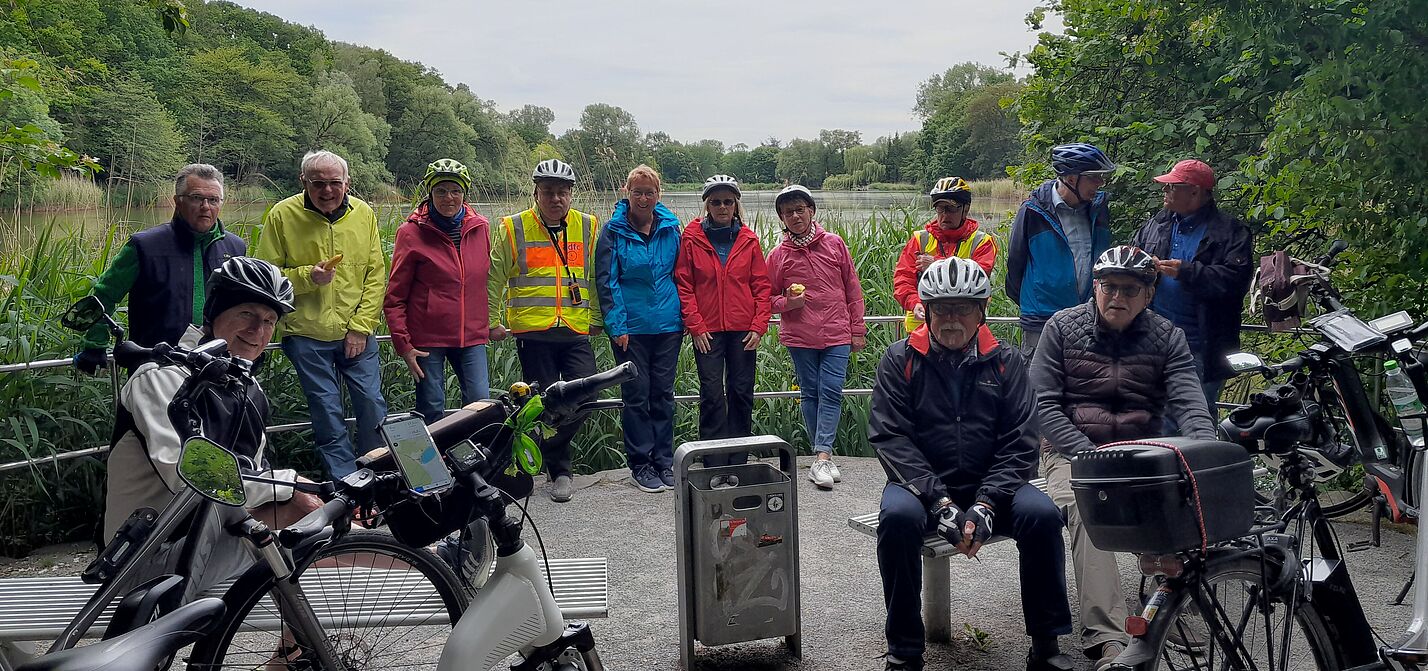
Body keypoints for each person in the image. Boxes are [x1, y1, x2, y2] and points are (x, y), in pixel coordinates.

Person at [869, 256, 1073, 671]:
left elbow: (1020, 440)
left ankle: (1046, 644)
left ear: (981, 310)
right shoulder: (900, 358)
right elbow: (891, 436)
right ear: (925, 310)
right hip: (922, 484)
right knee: (896, 520)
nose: (951, 318)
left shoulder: (1007, 362)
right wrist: (939, 503)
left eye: (963, 308)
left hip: (992, 483)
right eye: (941, 308)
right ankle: (905, 650)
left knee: (1043, 515)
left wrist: (986, 503)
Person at [1029, 245, 1218, 670]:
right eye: (1108, 286)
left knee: (1184, 495)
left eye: (1129, 289)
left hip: (1142, 452)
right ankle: (1109, 639)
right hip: (1071, 452)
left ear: (1148, 294)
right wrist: (1087, 454)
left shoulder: (1167, 336)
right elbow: (1042, 405)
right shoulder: (1061, 327)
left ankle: (1170, 608)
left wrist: (1204, 451)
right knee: (1087, 510)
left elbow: (1190, 403)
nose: (1117, 296)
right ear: (1095, 287)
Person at [103, 257, 321, 562]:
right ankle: (405, 572)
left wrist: (304, 490)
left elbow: (250, 479)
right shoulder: (161, 379)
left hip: (204, 543)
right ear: (213, 314)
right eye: (247, 313)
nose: (258, 330)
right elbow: (192, 480)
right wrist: (291, 484)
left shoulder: (249, 391)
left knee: (316, 519)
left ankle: (398, 568)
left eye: (269, 320)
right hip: (143, 561)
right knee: (306, 526)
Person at [254, 150, 388, 480]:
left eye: (334, 183)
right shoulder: (282, 215)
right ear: (304, 182)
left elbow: (376, 274)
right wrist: (306, 278)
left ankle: (377, 475)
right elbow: (265, 275)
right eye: (318, 183)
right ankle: (345, 485)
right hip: (305, 333)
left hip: (356, 331)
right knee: (327, 411)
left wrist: (360, 327)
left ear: (347, 183)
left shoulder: (364, 214)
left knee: (372, 404)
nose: (327, 190)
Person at [488, 158, 602, 503]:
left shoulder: (588, 225)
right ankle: (558, 469)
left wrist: (596, 316)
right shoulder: (513, 226)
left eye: (562, 192)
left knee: (588, 395)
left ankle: (541, 450)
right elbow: (494, 277)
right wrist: (493, 321)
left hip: (574, 327)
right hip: (533, 331)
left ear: (571, 195)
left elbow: (594, 275)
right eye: (549, 192)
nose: (556, 199)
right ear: (536, 193)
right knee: (542, 403)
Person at [74, 164, 246, 373]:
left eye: (213, 200)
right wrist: (95, 343)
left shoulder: (235, 247)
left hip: (214, 364)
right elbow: (105, 295)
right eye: (196, 198)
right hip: (154, 365)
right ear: (177, 201)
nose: (206, 206)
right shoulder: (145, 246)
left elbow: (242, 305)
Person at [1131, 159, 1254, 410]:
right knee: (1154, 418)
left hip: (1202, 347)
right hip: (1153, 343)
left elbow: (1235, 281)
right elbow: (1133, 263)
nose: (1165, 192)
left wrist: (1186, 272)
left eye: (1172, 187)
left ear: (1195, 192)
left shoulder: (1230, 231)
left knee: (1197, 420)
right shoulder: (1156, 225)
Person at [766, 185, 866, 490]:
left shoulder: (835, 245)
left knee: (832, 391)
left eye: (800, 209)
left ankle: (822, 456)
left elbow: (852, 288)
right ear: (782, 218)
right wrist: (788, 303)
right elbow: (765, 298)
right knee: (810, 394)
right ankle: (822, 457)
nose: (795, 216)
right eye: (788, 212)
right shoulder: (778, 255)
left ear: (811, 211)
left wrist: (857, 329)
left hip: (837, 332)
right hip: (800, 336)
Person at [673, 174, 771, 484]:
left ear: (735, 204)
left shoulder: (748, 239)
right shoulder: (692, 238)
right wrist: (696, 325)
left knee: (741, 393)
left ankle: (738, 463)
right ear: (707, 204)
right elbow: (684, 284)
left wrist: (759, 325)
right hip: (708, 331)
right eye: (715, 202)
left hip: (743, 330)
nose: (722, 207)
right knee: (712, 394)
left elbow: (762, 287)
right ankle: (714, 465)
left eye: (728, 201)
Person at [594, 165, 683, 493]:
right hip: (630, 328)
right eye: (637, 192)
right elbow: (606, 280)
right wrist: (616, 325)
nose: (643, 198)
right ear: (626, 192)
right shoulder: (613, 231)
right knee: (636, 396)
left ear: (658, 194)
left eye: (649, 192)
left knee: (663, 394)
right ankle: (640, 464)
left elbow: (681, 274)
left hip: (669, 326)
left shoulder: (672, 228)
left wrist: (685, 317)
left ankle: (664, 461)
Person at [385, 159, 493, 424]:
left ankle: (475, 461)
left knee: (481, 404)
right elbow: (395, 296)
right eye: (441, 191)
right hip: (427, 338)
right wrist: (403, 344)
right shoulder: (410, 232)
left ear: (464, 194)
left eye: (455, 191)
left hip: (471, 336)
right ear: (430, 194)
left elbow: (491, 282)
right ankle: (435, 465)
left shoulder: (480, 227)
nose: (448, 197)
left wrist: (496, 320)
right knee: (431, 407)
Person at [1007, 143, 1115, 352]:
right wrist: (1037, 301)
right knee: (1039, 383)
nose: (1100, 183)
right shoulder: (1033, 211)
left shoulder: (1098, 209)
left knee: (1082, 383)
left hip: (1087, 316)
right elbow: (1015, 264)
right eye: (1094, 177)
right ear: (1072, 178)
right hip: (1041, 320)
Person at [892, 176, 997, 333]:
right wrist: (914, 303)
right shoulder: (920, 239)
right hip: (920, 326)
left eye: (951, 209)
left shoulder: (982, 242)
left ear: (965, 209)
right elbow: (903, 279)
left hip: (963, 327)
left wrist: (935, 264)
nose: (944, 215)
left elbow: (978, 277)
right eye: (940, 209)